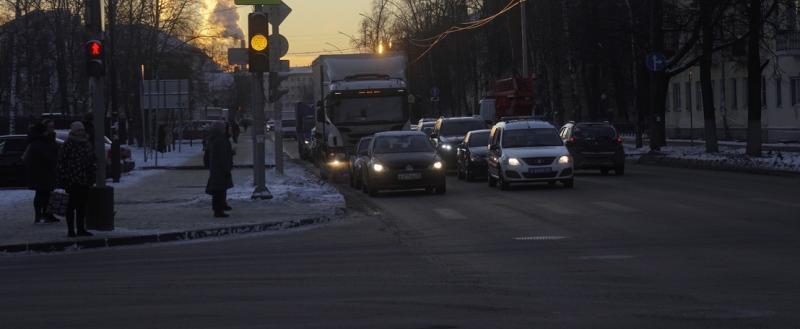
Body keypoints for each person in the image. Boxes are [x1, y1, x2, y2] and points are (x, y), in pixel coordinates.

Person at [57, 122, 96, 237]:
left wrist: (92, 172)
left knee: (82, 206)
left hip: (84, 179)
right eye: (78, 130)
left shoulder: (86, 143)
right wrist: (63, 178)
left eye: (82, 130)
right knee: (71, 206)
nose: (81, 132)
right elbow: (61, 162)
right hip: (72, 179)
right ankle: (71, 230)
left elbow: (91, 159)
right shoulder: (68, 144)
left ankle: (80, 229)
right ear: (73, 131)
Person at [24, 121, 59, 223]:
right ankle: (42, 214)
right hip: (42, 171)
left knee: (45, 193)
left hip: (44, 171)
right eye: (51, 127)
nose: (53, 128)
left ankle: (44, 214)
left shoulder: (42, 139)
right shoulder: (39, 141)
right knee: (42, 193)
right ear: (45, 129)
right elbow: (47, 155)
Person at [205, 122, 234, 218]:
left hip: (216, 168)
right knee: (219, 190)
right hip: (220, 169)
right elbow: (222, 156)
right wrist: (226, 168)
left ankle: (219, 207)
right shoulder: (220, 140)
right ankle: (218, 210)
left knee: (219, 189)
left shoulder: (215, 138)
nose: (225, 129)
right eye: (224, 128)